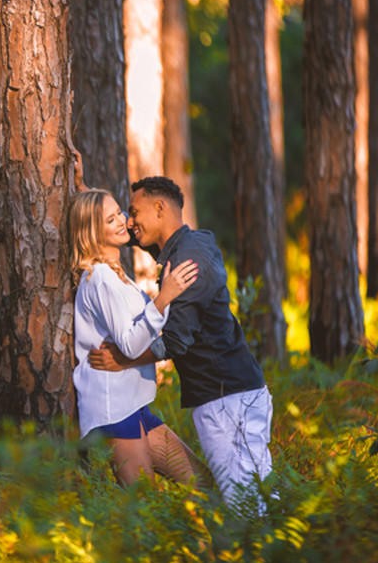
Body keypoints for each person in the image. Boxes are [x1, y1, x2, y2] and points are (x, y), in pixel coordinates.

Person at [88, 176, 275, 511]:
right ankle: (276, 540)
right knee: (254, 492)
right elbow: (120, 233)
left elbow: (174, 342)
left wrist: (123, 360)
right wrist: (85, 193)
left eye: (134, 212)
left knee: (244, 501)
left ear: (160, 208)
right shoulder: (189, 245)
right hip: (233, 393)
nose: (129, 222)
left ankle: (268, 544)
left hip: (226, 400)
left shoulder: (188, 264)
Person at [68, 188, 207, 488]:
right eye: (110, 220)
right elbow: (130, 344)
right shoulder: (100, 278)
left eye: (119, 212)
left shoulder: (115, 274)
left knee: (200, 481)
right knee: (143, 503)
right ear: (92, 232)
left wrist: (82, 185)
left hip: (134, 404)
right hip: (114, 409)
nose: (122, 221)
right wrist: (164, 297)